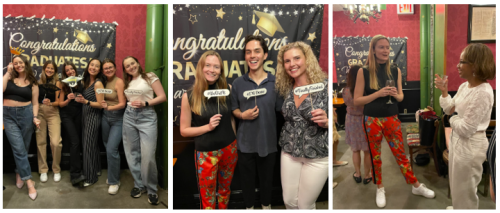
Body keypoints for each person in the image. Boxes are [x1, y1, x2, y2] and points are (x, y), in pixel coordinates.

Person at [353, 35, 435, 208]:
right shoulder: (364, 71)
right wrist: (378, 94)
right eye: (381, 47)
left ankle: (415, 185)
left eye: (387, 47)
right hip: (372, 120)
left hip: (392, 117)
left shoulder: (395, 70)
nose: (385, 50)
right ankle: (380, 187)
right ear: (373, 50)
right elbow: (357, 100)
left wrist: (394, 95)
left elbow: (400, 96)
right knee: (376, 156)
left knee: (400, 154)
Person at [435, 43, 495, 209]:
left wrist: (451, 119)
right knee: (457, 187)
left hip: (471, 146)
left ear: (475, 65)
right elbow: (448, 108)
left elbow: (466, 128)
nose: (457, 65)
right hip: (458, 141)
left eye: (462, 62)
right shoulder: (464, 86)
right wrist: (444, 92)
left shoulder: (483, 92)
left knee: (466, 192)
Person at [231, 35, 283, 210]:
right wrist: (242, 115)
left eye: (257, 51)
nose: (252, 56)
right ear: (245, 57)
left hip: (269, 144)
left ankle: (266, 207)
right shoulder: (238, 83)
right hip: (244, 144)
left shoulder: (276, 82)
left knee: (267, 182)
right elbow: (234, 109)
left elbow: (283, 110)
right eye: (248, 52)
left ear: (265, 55)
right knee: (246, 184)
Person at [180, 51, 237, 209]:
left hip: (229, 150)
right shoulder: (189, 96)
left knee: (225, 190)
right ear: (201, 68)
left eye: (216, 67)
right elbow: (184, 131)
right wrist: (208, 127)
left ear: (221, 71)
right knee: (207, 196)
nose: (212, 70)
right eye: (208, 65)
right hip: (206, 154)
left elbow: (232, 118)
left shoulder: (229, 89)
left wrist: (234, 141)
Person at [275, 41, 328, 209]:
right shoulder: (285, 88)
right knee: (289, 201)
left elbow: (336, 122)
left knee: (306, 205)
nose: (292, 64)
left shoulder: (324, 86)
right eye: (287, 61)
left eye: (296, 58)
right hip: (289, 152)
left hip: (317, 156)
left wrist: (327, 122)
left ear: (307, 59)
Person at [122, 56, 166, 205]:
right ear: (125, 69)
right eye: (127, 66)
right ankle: (139, 185)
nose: (131, 67)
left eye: (132, 63)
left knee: (148, 156)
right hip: (129, 116)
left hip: (147, 117)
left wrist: (145, 102)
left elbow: (162, 97)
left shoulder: (150, 76)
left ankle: (152, 189)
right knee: (132, 153)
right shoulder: (127, 82)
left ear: (138, 63)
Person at [3, 55, 40, 200]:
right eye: (15, 63)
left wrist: (35, 117)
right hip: (8, 116)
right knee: (18, 148)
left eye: (21, 62)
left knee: (23, 147)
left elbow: (35, 103)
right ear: (12, 65)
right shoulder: (9, 78)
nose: (18, 65)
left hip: (26, 115)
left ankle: (19, 172)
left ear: (26, 63)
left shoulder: (32, 82)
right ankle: (29, 182)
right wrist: (7, 72)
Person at [75, 58, 105, 187]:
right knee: (92, 146)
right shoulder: (86, 81)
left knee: (88, 146)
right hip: (85, 116)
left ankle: (90, 177)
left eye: (96, 66)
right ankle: (96, 169)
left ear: (99, 70)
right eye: (92, 65)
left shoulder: (98, 84)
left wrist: (85, 102)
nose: (93, 67)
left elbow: (100, 104)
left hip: (93, 116)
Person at [100, 59, 126, 195]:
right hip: (105, 117)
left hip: (117, 118)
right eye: (105, 68)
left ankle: (114, 181)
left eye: (110, 67)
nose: (108, 70)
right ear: (103, 71)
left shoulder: (119, 82)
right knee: (107, 146)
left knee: (111, 149)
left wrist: (109, 107)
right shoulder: (104, 82)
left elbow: (122, 103)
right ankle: (112, 174)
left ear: (115, 68)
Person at [59, 61, 86, 186]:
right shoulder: (63, 84)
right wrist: (68, 100)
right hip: (67, 115)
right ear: (65, 73)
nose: (70, 71)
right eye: (67, 70)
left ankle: (82, 169)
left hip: (79, 114)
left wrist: (81, 100)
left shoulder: (81, 82)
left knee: (78, 141)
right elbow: (60, 104)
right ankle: (75, 175)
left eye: (71, 69)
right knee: (74, 142)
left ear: (75, 70)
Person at [344, 65, 372, 184]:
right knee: (367, 150)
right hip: (365, 119)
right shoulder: (366, 90)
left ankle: (358, 174)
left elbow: (347, 103)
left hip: (351, 120)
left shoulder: (346, 90)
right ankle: (367, 175)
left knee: (355, 150)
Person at [36, 60, 63, 183]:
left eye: (52, 69)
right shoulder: (38, 82)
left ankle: (56, 169)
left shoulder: (57, 83)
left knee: (56, 142)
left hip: (53, 112)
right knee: (41, 142)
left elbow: (59, 102)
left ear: (55, 71)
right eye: (48, 68)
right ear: (44, 69)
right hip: (40, 112)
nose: (50, 70)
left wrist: (51, 103)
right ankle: (43, 170)